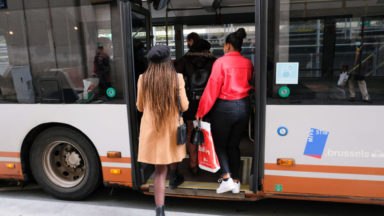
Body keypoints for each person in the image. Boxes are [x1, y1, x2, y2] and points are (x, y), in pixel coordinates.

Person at [196, 28, 253, 194]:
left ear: (228, 45)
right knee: (234, 145)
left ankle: (226, 178)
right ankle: (235, 182)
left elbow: (212, 90)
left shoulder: (220, 63)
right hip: (243, 106)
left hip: (225, 108)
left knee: (220, 144)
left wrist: (201, 111)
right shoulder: (248, 63)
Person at [136, 45, 189, 216]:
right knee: (170, 157)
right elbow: (185, 106)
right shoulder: (177, 78)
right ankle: (174, 175)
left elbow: (140, 107)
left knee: (159, 171)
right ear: (168, 61)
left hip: (152, 131)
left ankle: (160, 211)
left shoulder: (143, 79)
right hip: (171, 130)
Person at [175, 39, 216, 174]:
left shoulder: (184, 61)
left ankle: (193, 165)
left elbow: (175, 78)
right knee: (206, 131)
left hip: (191, 101)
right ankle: (208, 161)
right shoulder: (213, 61)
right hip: (208, 101)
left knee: (191, 131)